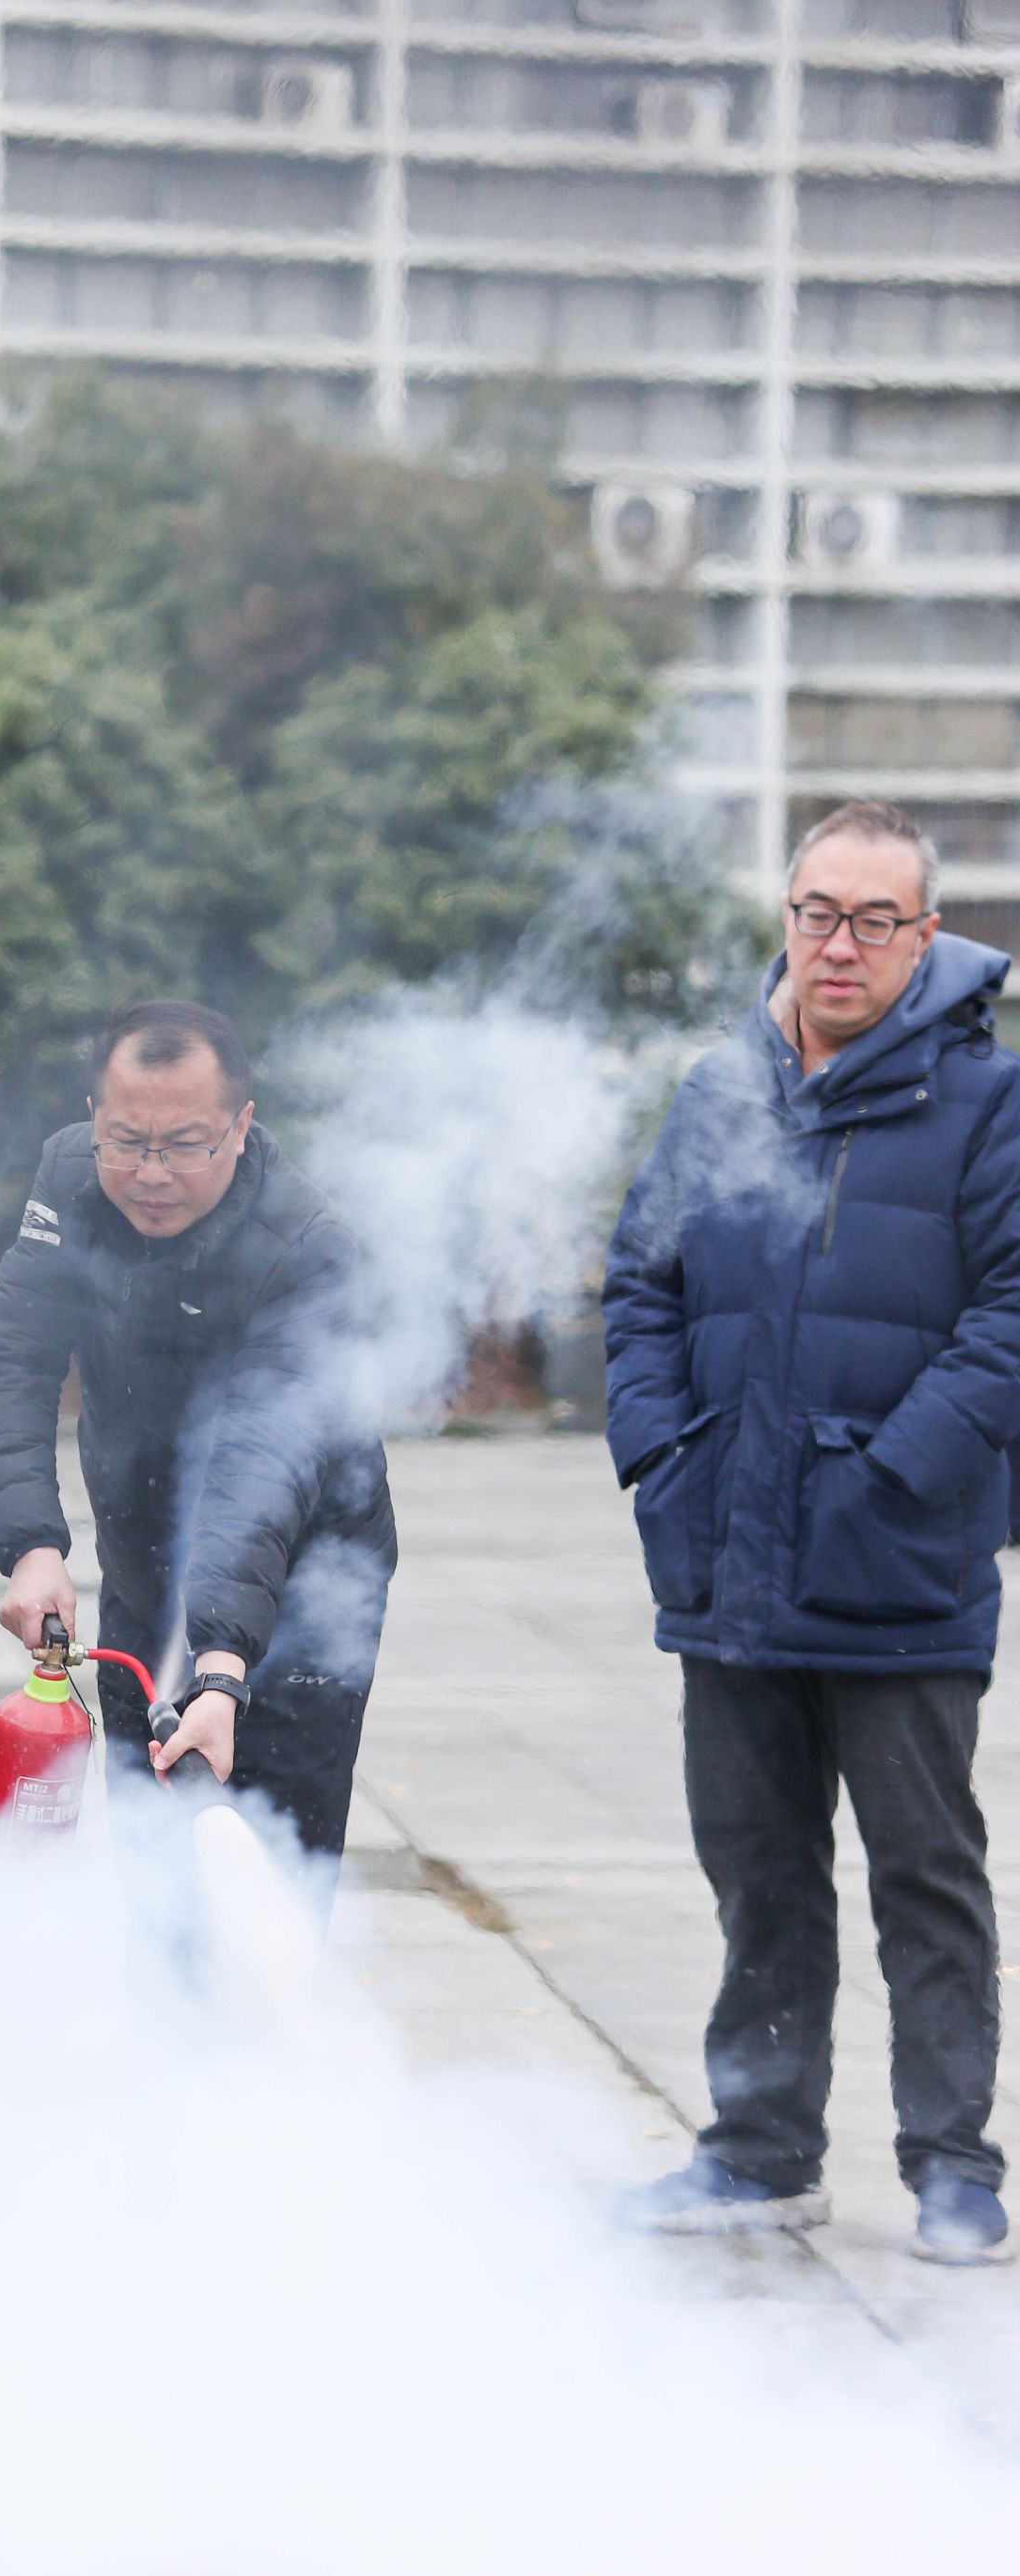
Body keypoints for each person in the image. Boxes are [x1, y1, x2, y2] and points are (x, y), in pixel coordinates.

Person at [605, 800, 1020, 2266]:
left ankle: (955, 2167)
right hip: (728, 1555)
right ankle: (760, 2153)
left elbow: (1011, 1317)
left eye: (874, 920)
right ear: (786, 919)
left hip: (898, 1563)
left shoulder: (988, 1102)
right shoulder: (722, 1089)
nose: (839, 945)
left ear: (926, 935)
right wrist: (662, 1455)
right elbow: (640, 1283)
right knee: (758, 1874)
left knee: (925, 1876)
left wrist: (895, 1474)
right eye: (816, 914)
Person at [0, 999, 395, 1886]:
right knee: (156, 1870)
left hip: (303, 1586)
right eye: (125, 1141)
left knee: (271, 1870)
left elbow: (262, 1458)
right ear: (93, 1117)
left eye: (186, 1145)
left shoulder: (305, 1243)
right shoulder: (70, 1178)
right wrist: (31, 1545)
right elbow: (12, 1353)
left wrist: (222, 1667)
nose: (151, 1173)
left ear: (241, 1125)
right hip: (146, 1558)